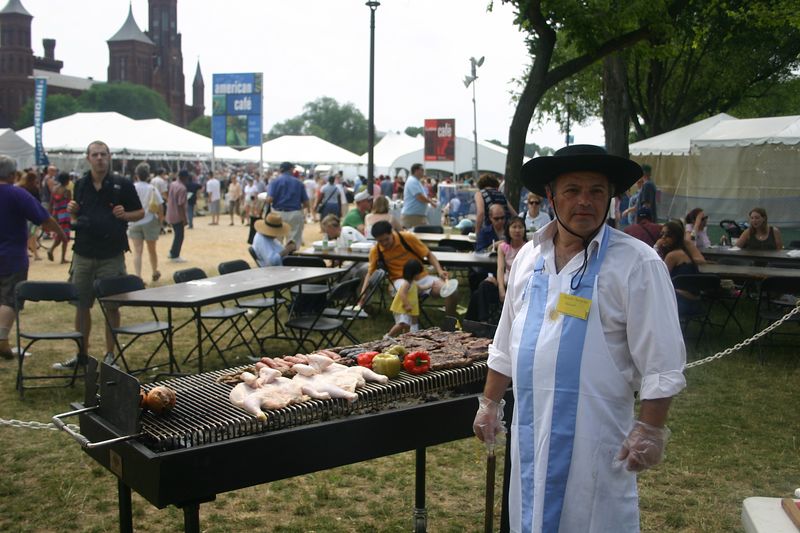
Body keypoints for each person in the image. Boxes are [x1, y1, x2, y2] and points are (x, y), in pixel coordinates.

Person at [473, 144, 686, 532]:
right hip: (530, 432)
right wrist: (489, 403)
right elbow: (505, 343)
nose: (584, 201)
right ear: (552, 196)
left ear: (610, 198)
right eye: (572, 190)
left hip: (596, 439)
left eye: (596, 191)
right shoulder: (528, 257)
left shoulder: (637, 264)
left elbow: (662, 362)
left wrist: (651, 429)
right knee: (530, 516)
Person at [54, 140, 143, 370]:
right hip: (83, 253)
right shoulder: (81, 184)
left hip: (111, 254)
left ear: (109, 156)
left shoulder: (122, 184)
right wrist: (72, 212)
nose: (100, 158)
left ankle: (110, 354)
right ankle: (81, 354)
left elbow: (140, 212)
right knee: (82, 305)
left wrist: (126, 214)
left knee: (111, 306)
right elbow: (76, 216)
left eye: (103, 154)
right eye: (95, 154)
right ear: (88, 158)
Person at [0, 155, 67, 360]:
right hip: (12, 255)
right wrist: (61, 235)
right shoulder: (17, 194)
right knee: (10, 298)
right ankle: (1, 339)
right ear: (12, 175)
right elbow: (44, 219)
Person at [359, 221, 457, 315]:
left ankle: (450, 323)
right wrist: (363, 293)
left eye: (387, 239)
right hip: (399, 280)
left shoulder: (407, 237)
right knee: (407, 291)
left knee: (451, 290)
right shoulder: (375, 251)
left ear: (392, 232)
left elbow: (429, 255)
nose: (384, 243)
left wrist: (439, 271)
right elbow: (370, 273)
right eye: (380, 241)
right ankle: (411, 326)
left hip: (422, 278)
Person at [465, 215, 527, 322]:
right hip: (505, 281)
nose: (517, 230)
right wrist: (501, 289)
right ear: (508, 229)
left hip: (520, 285)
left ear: (525, 230)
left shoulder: (528, 247)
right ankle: (482, 321)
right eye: (514, 227)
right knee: (483, 287)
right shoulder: (503, 247)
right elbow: (500, 269)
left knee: (478, 294)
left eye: (520, 227)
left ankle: (475, 323)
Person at [655, 220, 707, 315]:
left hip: (681, 303)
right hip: (696, 303)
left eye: (668, 235)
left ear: (675, 237)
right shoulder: (684, 252)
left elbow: (659, 278)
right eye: (661, 234)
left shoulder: (672, 256)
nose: (663, 238)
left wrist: (656, 247)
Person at [127, 162, 163, 281]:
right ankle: (154, 271)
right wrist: (161, 219)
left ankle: (138, 276)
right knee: (152, 249)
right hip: (149, 220)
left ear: (136, 175)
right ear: (148, 176)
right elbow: (160, 205)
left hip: (134, 221)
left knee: (137, 251)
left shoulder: (131, 187)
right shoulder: (152, 188)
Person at [267, 162, 309, 246]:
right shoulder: (299, 183)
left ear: (281, 170)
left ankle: (279, 258)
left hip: (278, 213)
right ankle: (291, 257)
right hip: (294, 213)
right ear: (291, 169)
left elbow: (270, 199)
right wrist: (299, 208)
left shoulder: (275, 182)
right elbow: (306, 203)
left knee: (277, 241)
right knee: (293, 241)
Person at [388, 259, 423, 337]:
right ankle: (388, 336)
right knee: (402, 324)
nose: (420, 275)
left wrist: (431, 285)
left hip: (407, 309)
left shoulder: (413, 282)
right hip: (402, 308)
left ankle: (405, 338)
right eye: (418, 274)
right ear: (413, 274)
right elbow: (402, 293)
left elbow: (421, 288)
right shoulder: (406, 283)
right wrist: (407, 304)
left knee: (407, 325)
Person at [47, 172, 72, 264]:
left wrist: (49, 215)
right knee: (64, 237)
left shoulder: (54, 189)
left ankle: (51, 249)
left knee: (59, 235)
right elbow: (70, 203)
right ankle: (62, 258)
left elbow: (50, 203)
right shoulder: (66, 191)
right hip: (64, 215)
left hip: (56, 214)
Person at [401, 163, 437, 229]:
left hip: (417, 216)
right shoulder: (412, 181)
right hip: (412, 216)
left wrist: (429, 200)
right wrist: (431, 202)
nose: (424, 172)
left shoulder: (416, 181)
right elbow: (419, 197)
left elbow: (421, 196)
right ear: (416, 170)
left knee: (425, 236)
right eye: (422, 170)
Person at [166, 170, 189, 263]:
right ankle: (175, 254)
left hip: (170, 213)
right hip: (177, 215)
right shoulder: (182, 188)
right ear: (184, 178)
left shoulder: (173, 184)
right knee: (180, 235)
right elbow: (181, 204)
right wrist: (184, 218)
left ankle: (172, 252)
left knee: (177, 234)